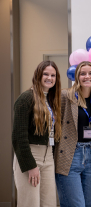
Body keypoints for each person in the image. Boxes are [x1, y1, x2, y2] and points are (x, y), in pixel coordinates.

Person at [12, 60, 61, 206]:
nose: (49, 78)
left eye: (53, 75)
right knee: (30, 203)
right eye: (46, 74)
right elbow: (18, 137)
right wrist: (30, 165)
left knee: (49, 203)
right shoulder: (26, 98)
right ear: (38, 75)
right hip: (30, 156)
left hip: (48, 158)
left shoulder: (52, 99)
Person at [54, 61, 91, 207]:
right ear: (77, 77)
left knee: (90, 204)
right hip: (70, 155)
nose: (87, 76)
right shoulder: (65, 96)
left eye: (90, 73)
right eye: (83, 73)